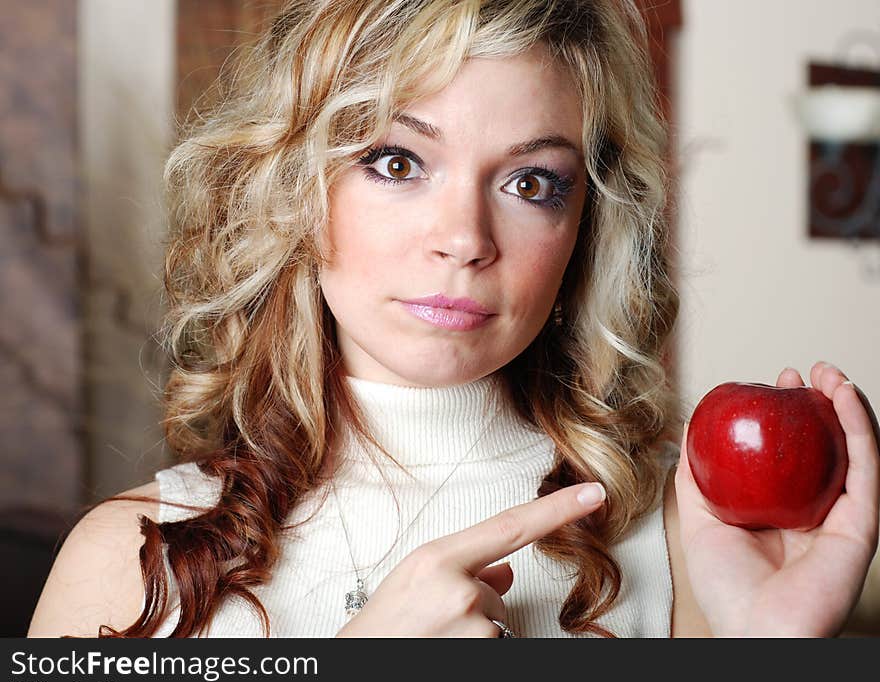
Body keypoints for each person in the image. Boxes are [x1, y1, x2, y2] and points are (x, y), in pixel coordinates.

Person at [28, 0, 879, 639]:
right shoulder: (125, 565)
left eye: (531, 183)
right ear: (294, 187)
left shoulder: (683, 541)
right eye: (396, 161)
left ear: (583, 228)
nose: (465, 241)